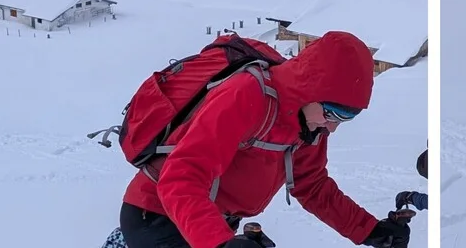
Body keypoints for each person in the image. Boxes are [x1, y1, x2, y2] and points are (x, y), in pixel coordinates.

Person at [119, 31, 412, 248]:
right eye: (333, 113)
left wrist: (371, 230)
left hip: (212, 223)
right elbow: (181, 177)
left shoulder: (309, 125)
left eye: (347, 118)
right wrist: (219, 243)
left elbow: (312, 186)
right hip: (158, 216)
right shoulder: (249, 95)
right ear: (310, 89)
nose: (332, 127)